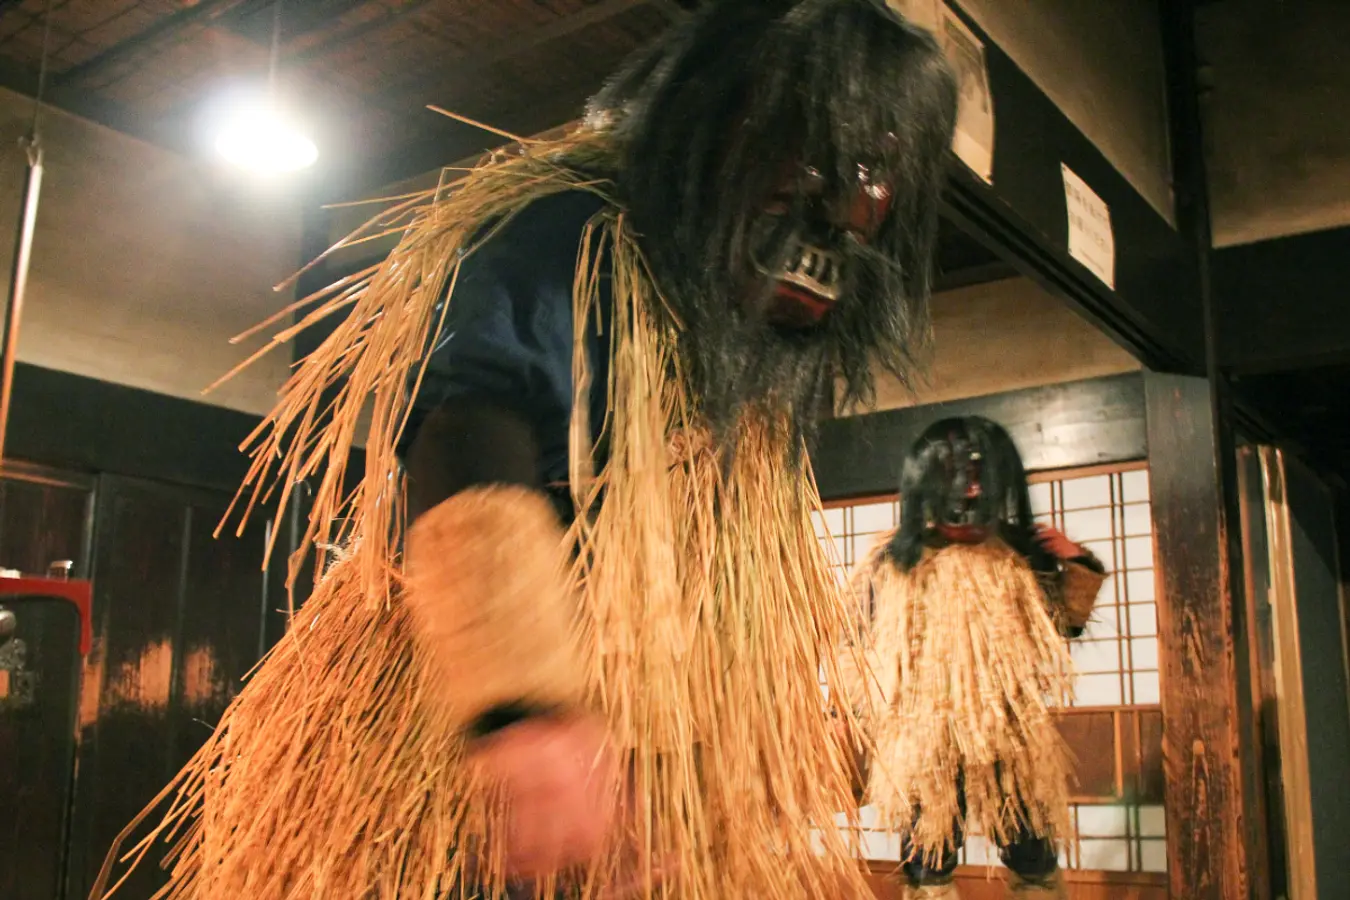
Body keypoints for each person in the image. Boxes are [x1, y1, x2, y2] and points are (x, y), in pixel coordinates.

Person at [93, 2, 958, 898]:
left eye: (872, 173)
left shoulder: (758, 365)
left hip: (649, 758)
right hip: (458, 740)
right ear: (718, 129)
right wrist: (522, 711)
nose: (842, 212)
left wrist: (721, 756)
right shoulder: (574, 236)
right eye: (814, 164)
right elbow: (470, 427)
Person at [840, 416, 1107, 899]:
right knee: (928, 854)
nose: (972, 489)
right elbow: (857, 646)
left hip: (1009, 732)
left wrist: (1076, 561)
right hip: (924, 737)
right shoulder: (892, 561)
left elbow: (1064, 623)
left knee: (1032, 849)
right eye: (958, 476)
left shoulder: (1015, 554)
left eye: (982, 477)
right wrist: (862, 717)